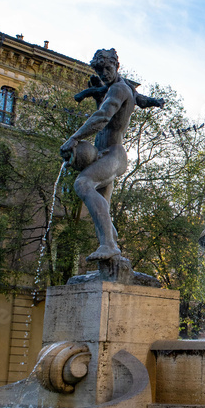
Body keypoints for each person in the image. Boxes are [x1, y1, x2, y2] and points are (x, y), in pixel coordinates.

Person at [60, 48, 164, 261]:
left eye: (107, 69)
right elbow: (142, 101)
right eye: (100, 71)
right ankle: (113, 250)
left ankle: (109, 245)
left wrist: (75, 137)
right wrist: (154, 102)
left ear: (117, 66)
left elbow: (102, 116)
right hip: (100, 154)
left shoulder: (119, 89)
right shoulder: (112, 88)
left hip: (114, 154)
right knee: (102, 208)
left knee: (83, 184)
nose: (104, 74)